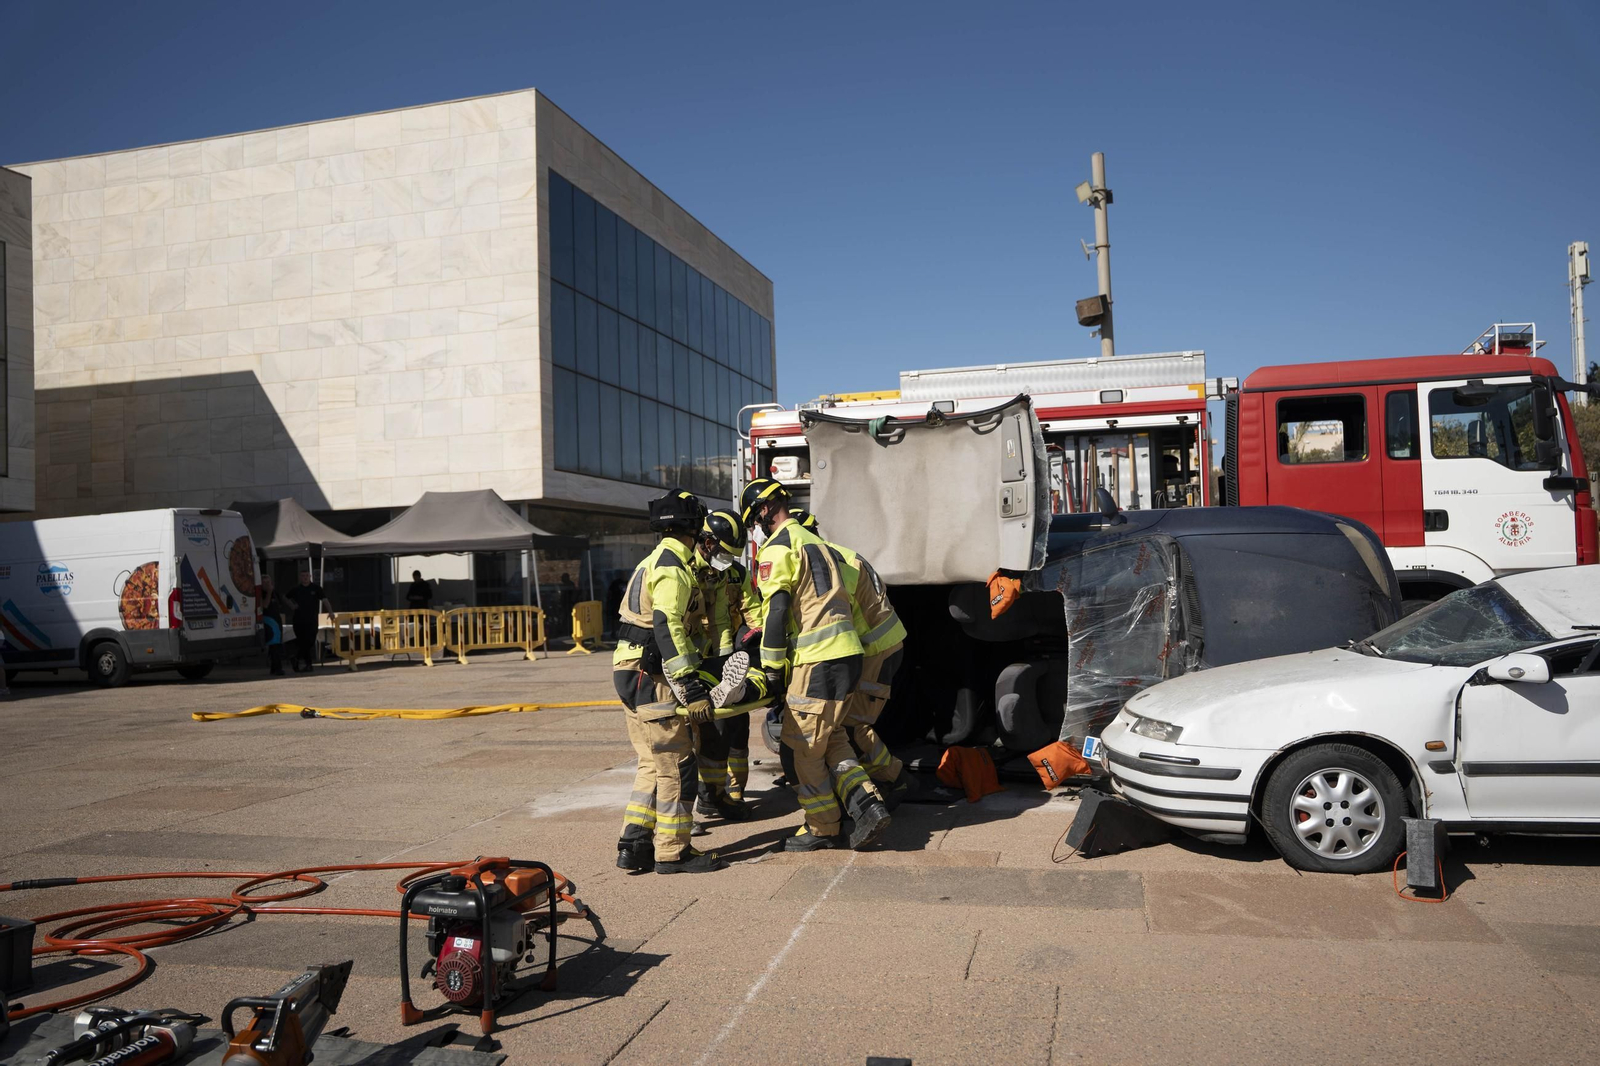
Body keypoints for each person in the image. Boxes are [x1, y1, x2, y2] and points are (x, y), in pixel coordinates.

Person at [740, 478, 891, 851]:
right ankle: (868, 805)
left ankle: (823, 828)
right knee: (832, 737)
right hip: (847, 654)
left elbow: (776, 610)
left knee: (800, 747)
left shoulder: (778, 547)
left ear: (763, 511)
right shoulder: (816, 543)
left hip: (817, 660)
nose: (756, 529)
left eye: (754, 520)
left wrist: (772, 667)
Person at [610, 489, 727, 875]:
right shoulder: (673, 568)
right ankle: (673, 852)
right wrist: (690, 685)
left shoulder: (653, 560)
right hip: (652, 675)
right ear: (693, 526)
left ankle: (634, 843)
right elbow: (666, 625)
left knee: (651, 761)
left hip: (628, 669)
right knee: (677, 763)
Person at [790, 510, 916, 808]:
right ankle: (883, 779)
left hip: (874, 651)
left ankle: (894, 780)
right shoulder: (842, 555)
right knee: (849, 723)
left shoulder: (828, 563)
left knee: (850, 727)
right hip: (882, 646)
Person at [688, 510, 756, 821]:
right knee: (694, 733)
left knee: (734, 723)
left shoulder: (733, 574)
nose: (728, 561)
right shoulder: (684, 571)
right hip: (691, 660)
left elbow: (751, 612)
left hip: (725, 659)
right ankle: (701, 798)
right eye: (724, 554)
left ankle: (729, 793)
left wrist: (753, 646)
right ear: (707, 542)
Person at [284, 571, 326, 672]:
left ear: (310, 576)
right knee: (303, 642)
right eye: (303, 576)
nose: (305, 578)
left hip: (312, 620)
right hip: (299, 620)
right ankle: (308, 664)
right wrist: (292, 606)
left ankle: (296, 658)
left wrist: (331, 612)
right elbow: (285, 597)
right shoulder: (296, 589)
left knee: (310, 641)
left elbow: (325, 599)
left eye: (307, 576)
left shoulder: (316, 588)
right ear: (300, 577)